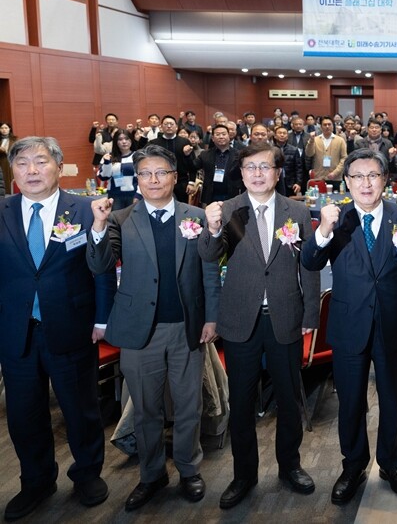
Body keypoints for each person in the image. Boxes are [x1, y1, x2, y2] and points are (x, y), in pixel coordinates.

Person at [86, 145, 221, 511]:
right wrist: (98, 227)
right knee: (146, 410)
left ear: (175, 177)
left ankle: (189, 469)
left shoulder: (195, 216)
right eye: (145, 173)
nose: (153, 180)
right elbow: (99, 265)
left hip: (186, 327)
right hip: (139, 331)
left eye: (161, 172)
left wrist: (211, 317)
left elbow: (209, 269)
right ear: (137, 180)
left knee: (189, 405)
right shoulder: (120, 218)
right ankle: (152, 475)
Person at [198, 142, 320, 509]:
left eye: (265, 167)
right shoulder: (228, 210)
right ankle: (243, 475)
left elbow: (308, 266)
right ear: (241, 172)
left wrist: (310, 315)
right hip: (240, 320)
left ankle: (290, 466)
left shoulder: (297, 211)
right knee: (242, 402)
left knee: (289, 398)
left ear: (278, 172)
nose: (257, 174)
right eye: (250, 167)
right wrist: (212, 228)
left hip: (285, 317)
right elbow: (209, 255)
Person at [301, 149, 397, 505]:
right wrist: (323, 230)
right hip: (348, 325)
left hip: (392, 323)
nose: (366, 183)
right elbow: (310, 261)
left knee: (392, 400)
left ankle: (391, 463)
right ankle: (353, 465)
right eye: (357, 176)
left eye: (373, 175)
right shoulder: (336, 218)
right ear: (347, 182)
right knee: (352, 402)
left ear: (385, 180)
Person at [0, 137, 115, 520]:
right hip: (16, 332)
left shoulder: (86, 208)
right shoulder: (1, 210)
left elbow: (101, 269)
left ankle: (87, 474)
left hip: (72, 326)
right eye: (22, 163)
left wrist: (102, 318)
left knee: (81, 409)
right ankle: (36, 481)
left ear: (59, 166)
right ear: (13, 171)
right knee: (23, 414)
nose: (31, 170)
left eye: (40, 161)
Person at [150, 116, 196, 204]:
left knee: (182, 207)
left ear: (176, 127)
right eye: (166, 124)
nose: (169, 126)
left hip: (181, 182)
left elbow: (192, 164)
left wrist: (191, 182)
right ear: (161, 127)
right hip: (161, 181)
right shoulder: (154, 143)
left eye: (171, 124)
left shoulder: (185, 142)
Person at [97, 129, 139, 210]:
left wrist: (139, 195)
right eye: (120, 139)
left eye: (126, 139)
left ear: (131, 140)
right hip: (115, 197)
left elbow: (142, 177)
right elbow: (103, 177)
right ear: (116, 142)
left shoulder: (137, 156)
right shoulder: (108, 156)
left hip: (134, 195)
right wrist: (107, 163)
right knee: (116, 218)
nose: (124, 142)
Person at [305, 116, 348, 186]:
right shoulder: (315, 140)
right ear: (321, 127)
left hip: (336, 178)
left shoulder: (340, 140)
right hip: (319, 178)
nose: (327, 126)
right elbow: (309, 154)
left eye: (329, 124)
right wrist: (311, 141)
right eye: (325, 125)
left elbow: (344, 158)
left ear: (333, 126)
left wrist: (335, 172)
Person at [0, 121, 15, 194]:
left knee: (12, 178)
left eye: (6, 128)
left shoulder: (14, 139)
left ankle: (13, 192)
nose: (4, 130)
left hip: (12, 162)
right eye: (2, 128)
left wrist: (7, 151)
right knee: (3, 179)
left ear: (9, 129)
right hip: (1, 162)